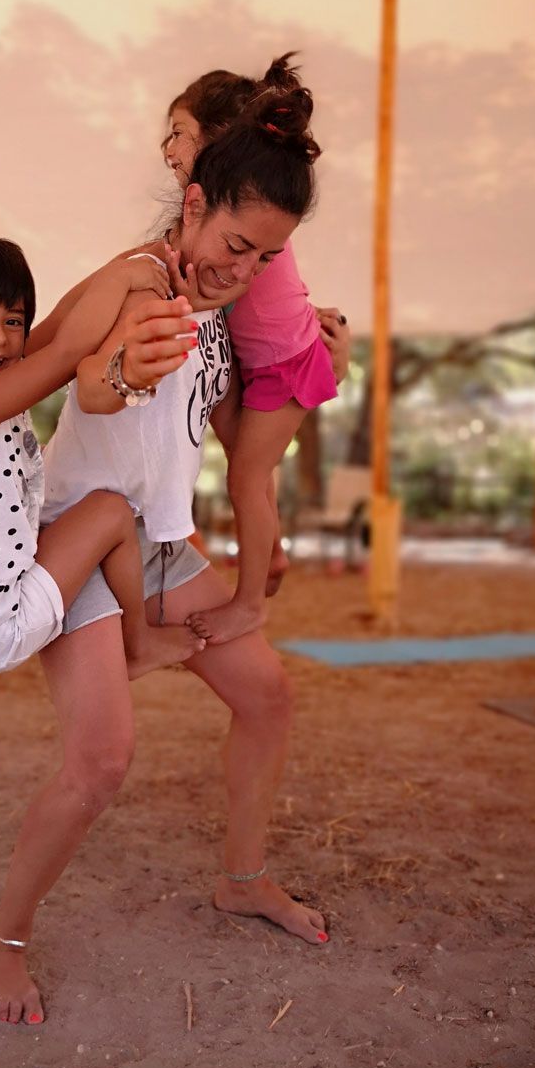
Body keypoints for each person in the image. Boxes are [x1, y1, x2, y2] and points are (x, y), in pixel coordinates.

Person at [0, 77, 329, 1028]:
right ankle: (5, 939)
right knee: (102, 761)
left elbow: (228, 429)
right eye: (236, 244)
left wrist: (312, 354)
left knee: (268, 696)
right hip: (81, 535)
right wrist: (122, 372)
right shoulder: (140, 279)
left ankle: (242, 879)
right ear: (195, 204)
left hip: (161, 545)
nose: (243, 269)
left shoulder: (220, 302)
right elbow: (79, 376)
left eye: (267, 258)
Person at [0, 229, 204, 678]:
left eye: (13, 321)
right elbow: (67, 350)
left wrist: (130, 260)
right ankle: (138, 644)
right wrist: (123, 277)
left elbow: (62, 320)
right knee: (112, 511)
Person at [162, 55, 350, 645]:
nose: (167, 150)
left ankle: (249, 605)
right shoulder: (220, 211)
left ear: (218, 141)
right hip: (265, 357)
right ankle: (270, 557)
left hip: (286, 363)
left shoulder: (248, 213)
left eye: (179, 133)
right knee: (248, 463)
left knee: (245, 478)